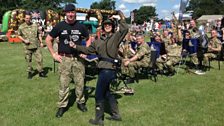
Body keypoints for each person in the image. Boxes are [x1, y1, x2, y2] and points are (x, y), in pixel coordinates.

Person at [69, 10, 128, 125]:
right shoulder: (98, 41)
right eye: (105, 25)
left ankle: (99, 119)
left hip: (109, 69)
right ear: (102, 27)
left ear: (112, 26)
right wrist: (75, 46)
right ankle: (116, 115)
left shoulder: (116, 37)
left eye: (109, 25)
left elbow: (125, 29)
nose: (107, 26)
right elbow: (88, 50)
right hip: (102, 69)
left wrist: (121, 15)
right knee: (107, 93)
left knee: (98, 94)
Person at [45, 3, 89, 118]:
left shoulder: (81, 26)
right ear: (65, 13)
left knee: (80, 82)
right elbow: (48, 39)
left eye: (72, 12)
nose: (70, 14)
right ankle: (62, 106)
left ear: (75, 13)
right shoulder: (60, 26)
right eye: (68, 12)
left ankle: (80, 102)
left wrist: (85, 51)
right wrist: (53, 54)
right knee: (63, 84)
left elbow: (89, 38)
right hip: (64, 59)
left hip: (78, 59)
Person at [18, 11, 45, 79]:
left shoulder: (35, 25)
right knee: (28, 60)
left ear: (31, 18)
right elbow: (18, 35)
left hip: (36, 46)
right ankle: (30, 72)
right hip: (27, 47)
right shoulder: (21, 27)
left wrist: (41, 42)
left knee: (39, 59)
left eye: (29, 18)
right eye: (27, 18)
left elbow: (39, 34)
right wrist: (24, 40)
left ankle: (40, 72)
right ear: (24, 18)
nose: (28, 19)